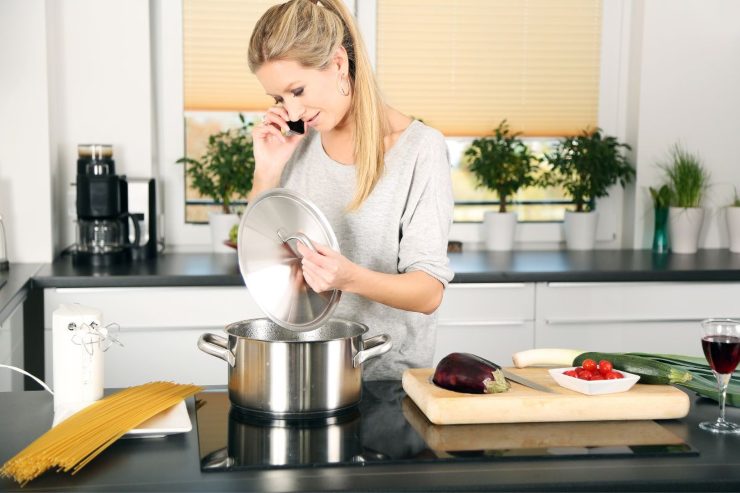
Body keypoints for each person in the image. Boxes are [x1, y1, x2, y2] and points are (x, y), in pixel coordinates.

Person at [247, 0, 453, 380]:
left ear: (338, 63)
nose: (291, 112)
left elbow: (428, 294)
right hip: (304, 373)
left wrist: (347, 277)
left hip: (387, 382)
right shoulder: (296, 145)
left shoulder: (419, 149)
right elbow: (260, 256)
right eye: (279, 99)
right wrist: (267, 171)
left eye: (297, 90)